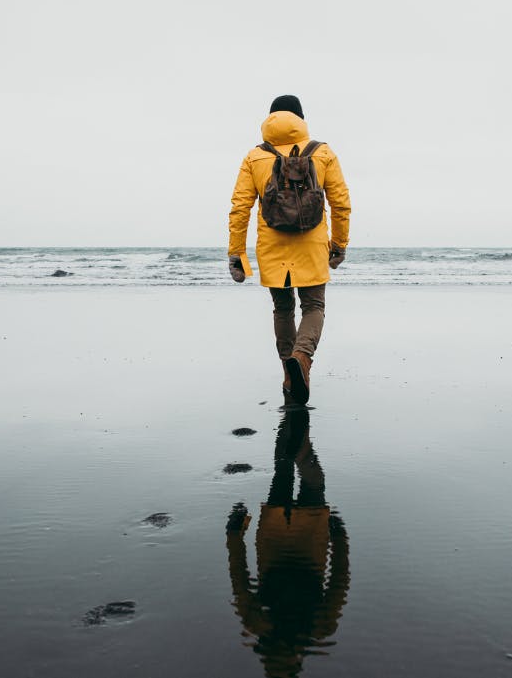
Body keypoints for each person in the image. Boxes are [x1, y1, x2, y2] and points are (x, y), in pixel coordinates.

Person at [228, 95, 352, 404]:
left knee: (282, 309)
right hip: (311, 243)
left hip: (272, 246)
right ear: (301, 119)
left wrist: (237, 255)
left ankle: (288, 370)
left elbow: (240, 208)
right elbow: (340, 203)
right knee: (313, 307)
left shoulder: (255, 157)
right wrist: (339, 243)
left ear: (270, 119)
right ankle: (303, 357)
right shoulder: (322, 152)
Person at [225, 409, 350, 677]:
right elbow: (239, 576)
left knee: (311, 481)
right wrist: (234, 534)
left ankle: (297, 435)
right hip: (276, 535)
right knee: (283, 473)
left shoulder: (318, 629)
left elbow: (340, 580)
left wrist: (340, 539)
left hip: (309, 534)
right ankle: (291, 429)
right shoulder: (260, 625)